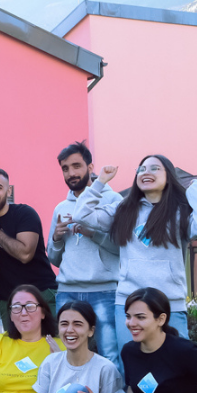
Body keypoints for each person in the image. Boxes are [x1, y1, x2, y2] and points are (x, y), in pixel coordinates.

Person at [72, 154, 197, 349]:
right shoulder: (123, 209)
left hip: (169, 304)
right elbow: (81, 215)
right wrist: (99, 182)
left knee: (180, 364)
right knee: (133, 364)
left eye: (154, 168)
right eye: (141, 169)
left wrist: (196, 189)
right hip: (129, 302)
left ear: (169, 175)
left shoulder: (180, 212)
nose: (146, 172)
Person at [46, 143, 122, 371]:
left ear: (90, 166)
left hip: (105, 291)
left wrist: (92, 233)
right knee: (69, 357)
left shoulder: (114, 200)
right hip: (67, 291)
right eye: (65, 168)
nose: (71, 173)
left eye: (77, 166)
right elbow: (54, 259)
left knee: (110, 354)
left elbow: (121, 249)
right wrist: (58, 239)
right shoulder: (60, 207)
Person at [0, 167, 57, 327]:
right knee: (17, 351)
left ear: (8, 191)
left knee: (53, 348)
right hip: (8, 301)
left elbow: (25, 254)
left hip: (41, 294)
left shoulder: (25, 213)